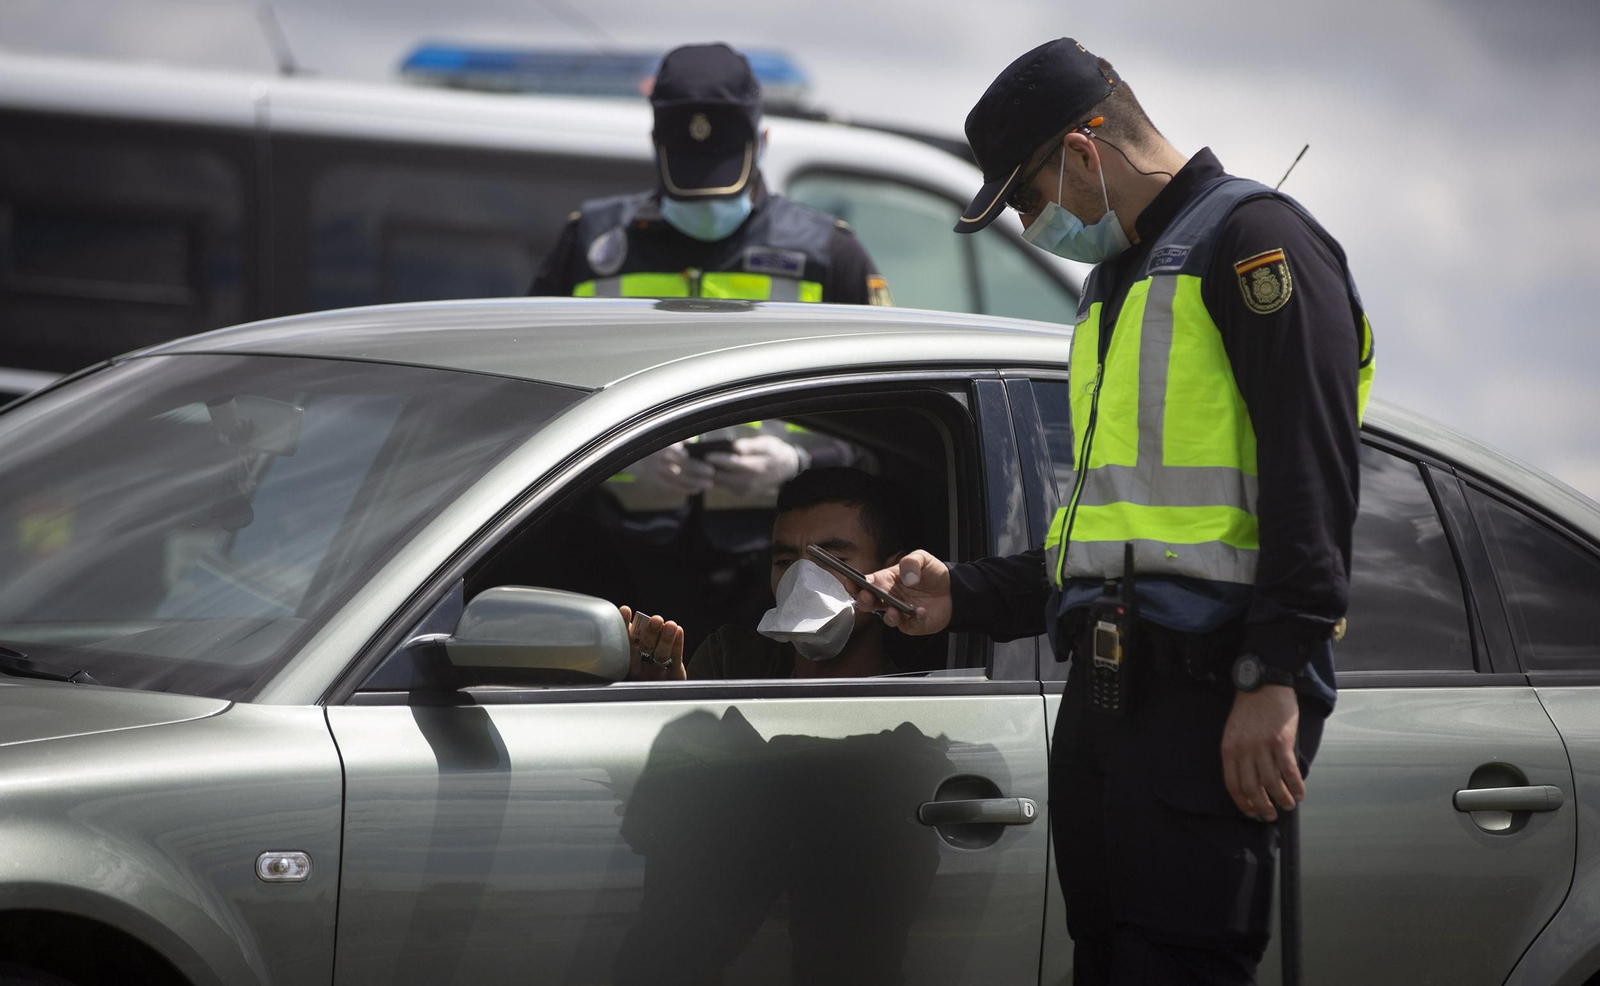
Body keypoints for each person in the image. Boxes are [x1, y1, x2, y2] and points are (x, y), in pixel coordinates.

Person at [857, 38, 1375, 985]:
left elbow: (1316, 480)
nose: (1028, 225)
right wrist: (960, 594)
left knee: (1175, 967)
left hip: (1211, 690)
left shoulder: (1258, 244)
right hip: (1110, 702)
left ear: (1085, 153)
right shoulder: (1114, 287)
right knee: (1106, 961)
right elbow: (1109, 537)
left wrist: (1273, 677)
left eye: (1026, 197)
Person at [620, 467, 917, 681]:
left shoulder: (920, 699)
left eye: (833, 560)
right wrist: (669, 698)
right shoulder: (730, 662)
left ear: (894, 575)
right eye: (786, 562)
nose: (802, 582)